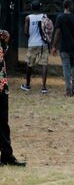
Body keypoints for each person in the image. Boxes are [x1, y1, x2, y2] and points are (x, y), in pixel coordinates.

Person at [0, 30, 27, 167]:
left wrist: (5, 39)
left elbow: (2, 56)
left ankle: (7, 155)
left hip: (2, 85)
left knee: (4, 123)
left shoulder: (1, 36)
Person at [51, 0, 74, 96]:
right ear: (69, 6)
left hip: (64, 46)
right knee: (73, 66)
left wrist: (54, 46)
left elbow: (58, 33)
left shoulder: (60, 17)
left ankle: (68, 90)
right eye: (72, 5)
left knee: (66, 68)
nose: (73, 7)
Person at [21, 0, 49, 94]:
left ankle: (27, 85)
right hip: (43, 44)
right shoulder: (44, 16)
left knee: (29, 64)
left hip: (32, 43)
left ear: (32, 8)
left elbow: (25, 32)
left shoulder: (28, 18)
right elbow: (47, 29)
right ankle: (44, 87)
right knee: (44, 64)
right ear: (40, 7)